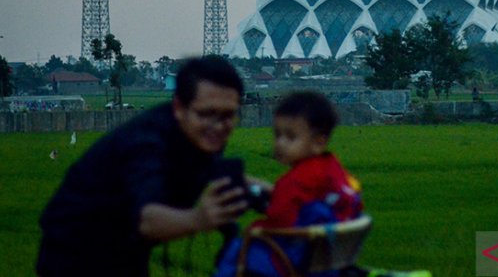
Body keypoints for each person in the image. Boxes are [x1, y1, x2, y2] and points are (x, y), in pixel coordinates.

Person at [37, 56, 251, 277]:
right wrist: (198, 219)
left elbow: (207, 170)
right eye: (206, 114)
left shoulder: (200, 136)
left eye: (228, 115)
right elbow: (146, 219)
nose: (217, 125)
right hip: (74, 255)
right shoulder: (147, 143)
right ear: (179, 107)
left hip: (126, 249)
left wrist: (268, 191)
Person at [219, 91, 362, 277]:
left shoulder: (295, 181)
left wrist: (255, 228)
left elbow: (278, 219)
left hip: (295, 258)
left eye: (290, 137)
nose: (280, 144)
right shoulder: (332, 169)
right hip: (327, 259)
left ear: (318, 142)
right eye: (277, 135)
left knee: (236, 250)